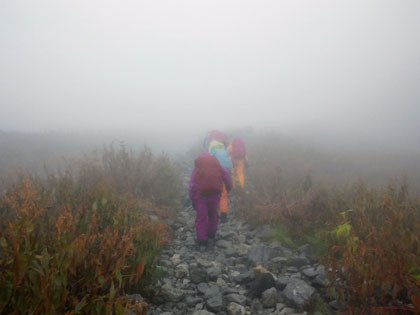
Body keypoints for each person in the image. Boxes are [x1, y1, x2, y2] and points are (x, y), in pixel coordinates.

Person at [189, 153, 232, 248]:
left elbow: (192, 185)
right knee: (213, 214)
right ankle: (211, 234)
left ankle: (202, 241)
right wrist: (228, 187)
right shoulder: (218, 167)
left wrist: (192, 198)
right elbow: (227, 176)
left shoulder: (197, 169)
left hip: (200, 196)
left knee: (201, 217)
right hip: (215, 195)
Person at [209, 146, 233, 222]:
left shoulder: (213, 153)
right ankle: (223, 215)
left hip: (215, 176)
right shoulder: (225, 153)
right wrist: (229, 186)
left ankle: (213, 213)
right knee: (223, 195)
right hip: (225, 174)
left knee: (213, 194)